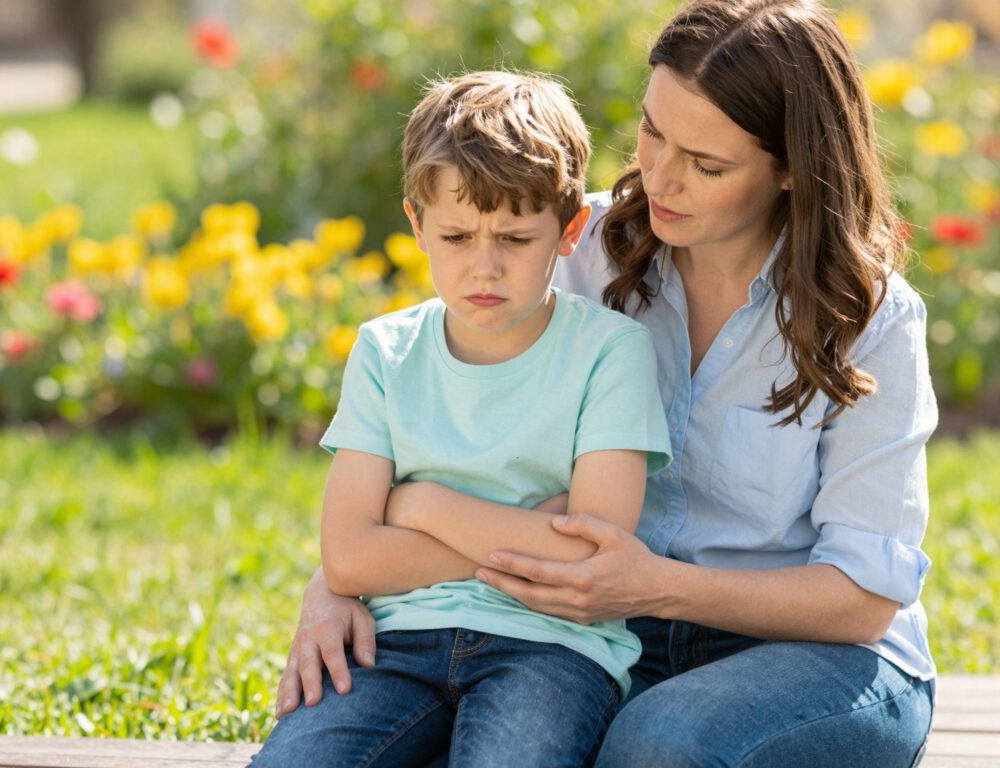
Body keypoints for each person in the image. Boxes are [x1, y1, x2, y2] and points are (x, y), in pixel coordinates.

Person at [275, 0, 938, 765]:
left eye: (707, 163)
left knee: (659, 745)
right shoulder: (572, 243)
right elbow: (424, 389)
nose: (659, 175)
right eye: (654, 131)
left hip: (817, 653)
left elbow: (859, 600)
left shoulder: (872, 319)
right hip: (601, 628)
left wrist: (652, 587)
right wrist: (335, 580)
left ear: (791, 168)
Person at [249, 70, 672, 768]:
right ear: (417, 225)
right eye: (455, 235)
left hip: (552, 647)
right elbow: (349, 558)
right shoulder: (386, 352)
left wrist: (417, 505)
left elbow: (590, 553)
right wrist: (528, 527)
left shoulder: (610, 353)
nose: (484, 267)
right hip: (388, 645)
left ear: (568, 231)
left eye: (514, 237)